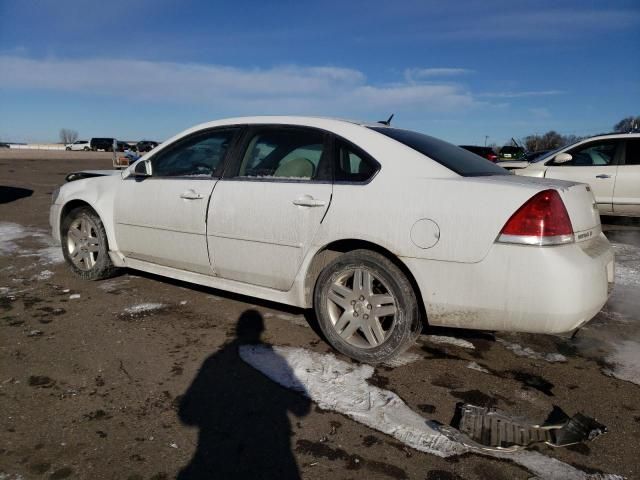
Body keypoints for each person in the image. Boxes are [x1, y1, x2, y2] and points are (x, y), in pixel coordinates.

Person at [177, 310, 310, 479]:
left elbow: (187, 415)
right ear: (261, 330)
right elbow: (302, 407)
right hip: (271, 452)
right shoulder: (275, 362)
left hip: (223, 451)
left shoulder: (214, 362)